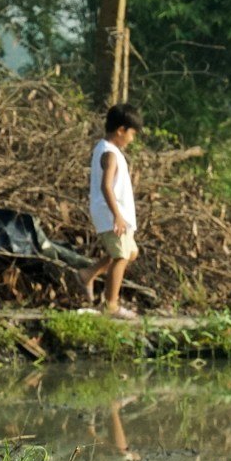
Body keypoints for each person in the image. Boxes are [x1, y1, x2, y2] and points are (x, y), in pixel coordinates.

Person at [76, 102, 143, 320]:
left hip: (112, 212)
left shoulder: (106, 149)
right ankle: (111, 305)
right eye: (132, 133)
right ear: (121, 130)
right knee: (121, 256)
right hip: (111, 212)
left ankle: (89, 274)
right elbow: (106, 185)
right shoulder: (110, 153)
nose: (132, 139)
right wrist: (117, 215)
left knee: (130, 252)